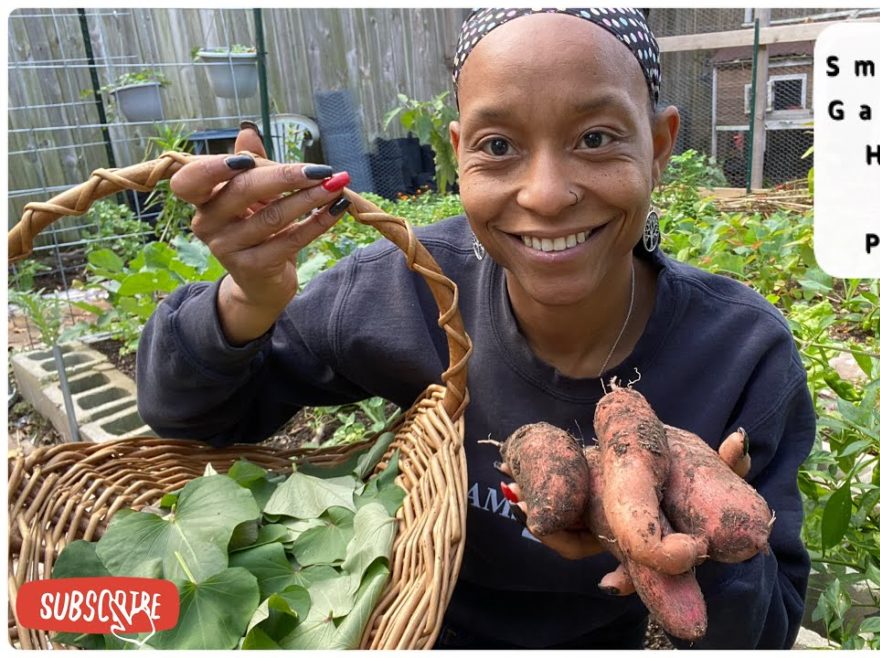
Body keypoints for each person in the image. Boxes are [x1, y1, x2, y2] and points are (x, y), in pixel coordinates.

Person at [137, 7, 815, 650]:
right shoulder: (408, 290)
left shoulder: (744, 354)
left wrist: (696, 550)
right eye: (498, 146)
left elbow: (770, 625)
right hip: (423, 629)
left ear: (661, 145)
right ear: (460, 153)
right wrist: (248, 299)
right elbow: (191, 418)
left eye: (597, 139)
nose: (546, 194)